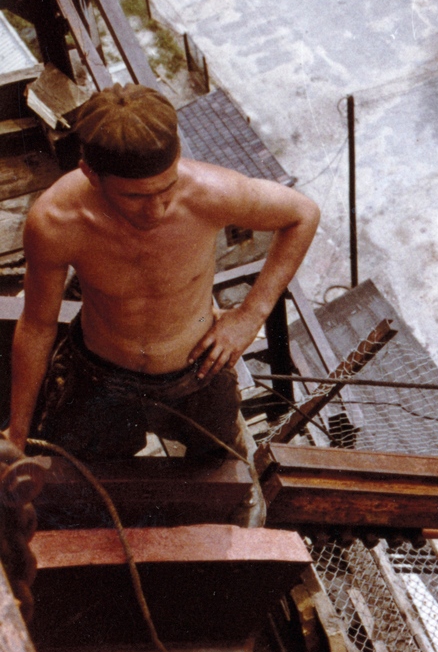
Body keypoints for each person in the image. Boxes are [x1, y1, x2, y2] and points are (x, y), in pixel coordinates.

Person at [4, 83, 320, 460]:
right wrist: (17, 433)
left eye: (166, 189)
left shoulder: (212, 194)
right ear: (90, 173)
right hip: (98, 375)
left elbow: (303, 214)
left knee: (223, 470)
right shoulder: (56, 223)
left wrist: (251, 314)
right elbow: (38, 324)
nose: (155, 211)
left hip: (199, 371)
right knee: (78, 475)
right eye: (135, 197)